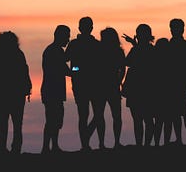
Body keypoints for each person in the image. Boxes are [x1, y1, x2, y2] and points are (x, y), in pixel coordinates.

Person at [0, 31, 32, 153]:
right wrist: (27, 87)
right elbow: (25, 72)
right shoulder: (18, 54)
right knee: (17, 125)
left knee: (3, 123)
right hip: (15, 94)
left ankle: (3, 147)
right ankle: (15, 148)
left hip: (2, 95)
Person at [66, 17, 101, 150]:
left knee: (96, 114)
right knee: (84, 114)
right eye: (86, 26)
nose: (87, 28)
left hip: (94, 84)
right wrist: (76, 70)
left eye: (89, 26)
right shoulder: (74, 44)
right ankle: (85, 144)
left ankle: (86, 138)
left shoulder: (96, 44)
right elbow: (65, 59)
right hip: (81, 84)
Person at [123, 24, 158, 146]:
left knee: (138, 119)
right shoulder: (153, 50)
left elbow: (127, 62)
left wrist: (134, 45)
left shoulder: (137, 50)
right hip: (148, 89)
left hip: (136, 88)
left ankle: (140, 145)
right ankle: (146, 145)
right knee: (148, 119)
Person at [41, 25, 72, 153]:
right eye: (67, 37)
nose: (68, 40)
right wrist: (78, 70)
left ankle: (52, 146)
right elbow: (65, 69)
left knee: (55, 119)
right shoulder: (54, 51)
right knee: (52, 119)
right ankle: (48, 147)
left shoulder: (52, 50)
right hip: (52, 90)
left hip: (52, 90)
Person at [95, 27, 126, 148]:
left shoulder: (99, 50)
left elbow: (122, 68)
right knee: (112, 116)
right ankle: (109, 142)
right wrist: (119, 81)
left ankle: (107, 143)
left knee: (105, 116)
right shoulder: (117, 51)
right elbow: (122, 68)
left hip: (105, 86)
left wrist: (119, 81)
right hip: (108, 86)